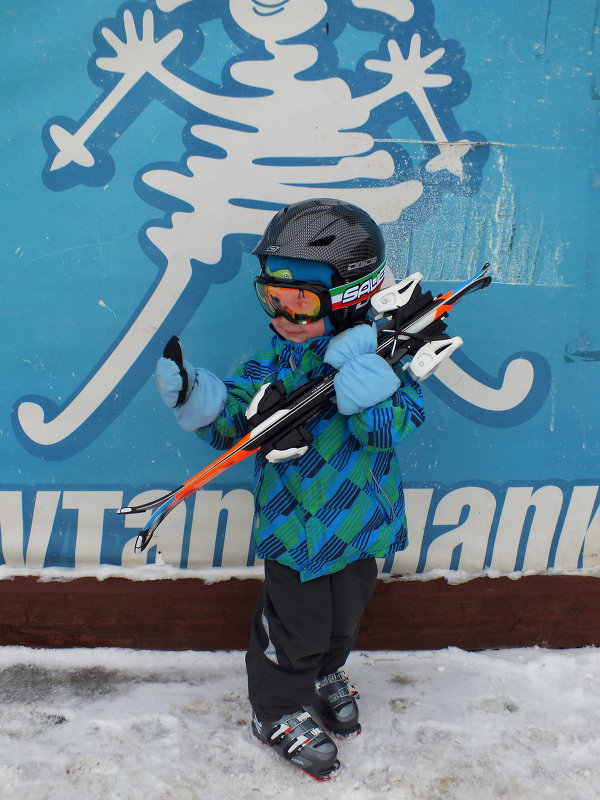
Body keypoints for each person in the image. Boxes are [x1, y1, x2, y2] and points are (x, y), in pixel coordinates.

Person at [156, 198, 425, 780]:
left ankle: (325, 671)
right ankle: (276, 707)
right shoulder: (273, 365)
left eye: (300, 300)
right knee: (294, 629)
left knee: (343, 620)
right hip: (294, 532)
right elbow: (238, 420)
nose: (282, 313)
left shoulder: (386, 360)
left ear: (351, 295)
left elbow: (395, 426)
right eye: (272, 298)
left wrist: (366, 385)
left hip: (361, 525)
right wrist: (199, 399)